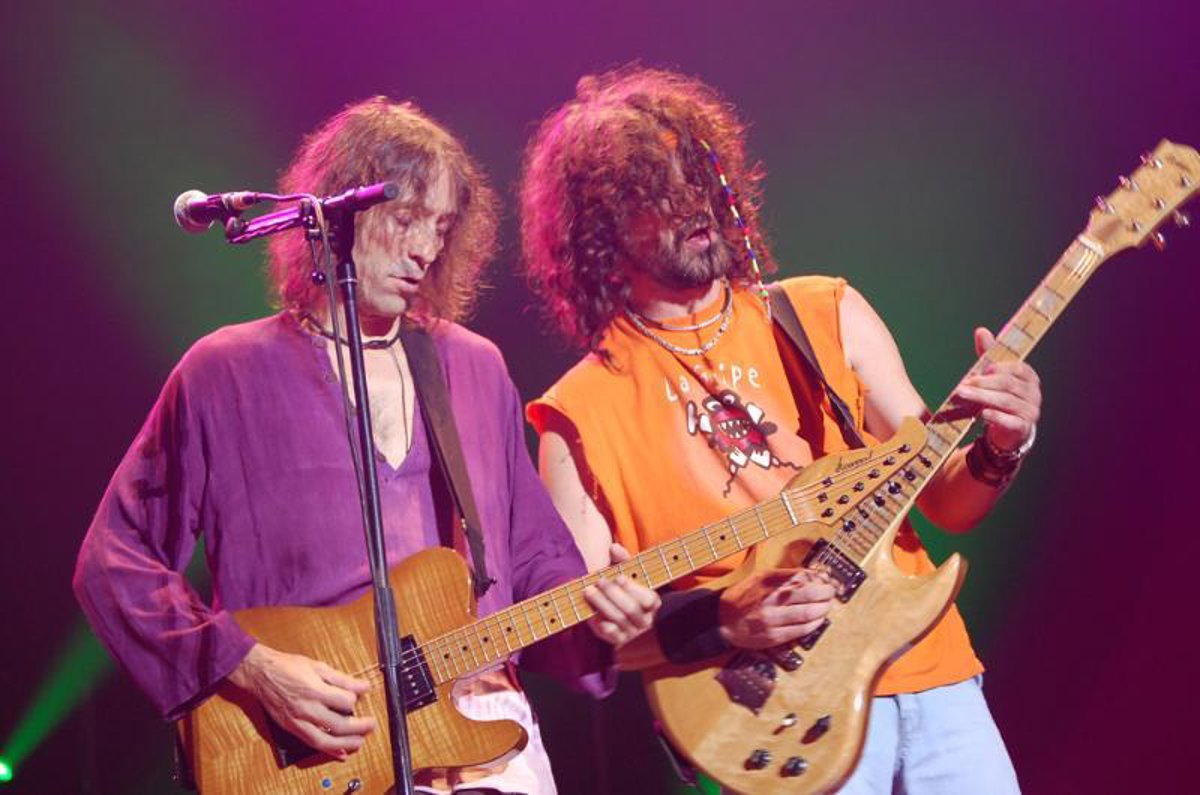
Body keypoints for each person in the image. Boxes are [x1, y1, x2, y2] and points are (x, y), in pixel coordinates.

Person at [73, 95, 657, 795]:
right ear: (335, 216)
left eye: (441, 227)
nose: (425, 248)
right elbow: (115, 563)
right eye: (406, 219)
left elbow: (534, 564)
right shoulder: (225, 372)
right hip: (320, 751)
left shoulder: (474, 368)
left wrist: (602, 613)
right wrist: (249, 665)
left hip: (486, 741)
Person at [520, 67, 1038, 793]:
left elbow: (947, 501)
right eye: (661, 193)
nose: (695, 205)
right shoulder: (578, 412)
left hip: (934, 676)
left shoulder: (823, 310)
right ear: (601, 227)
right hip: (780, 723)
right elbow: (575, 640)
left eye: (700, 179)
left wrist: (1003, 443)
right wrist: (723, 619)